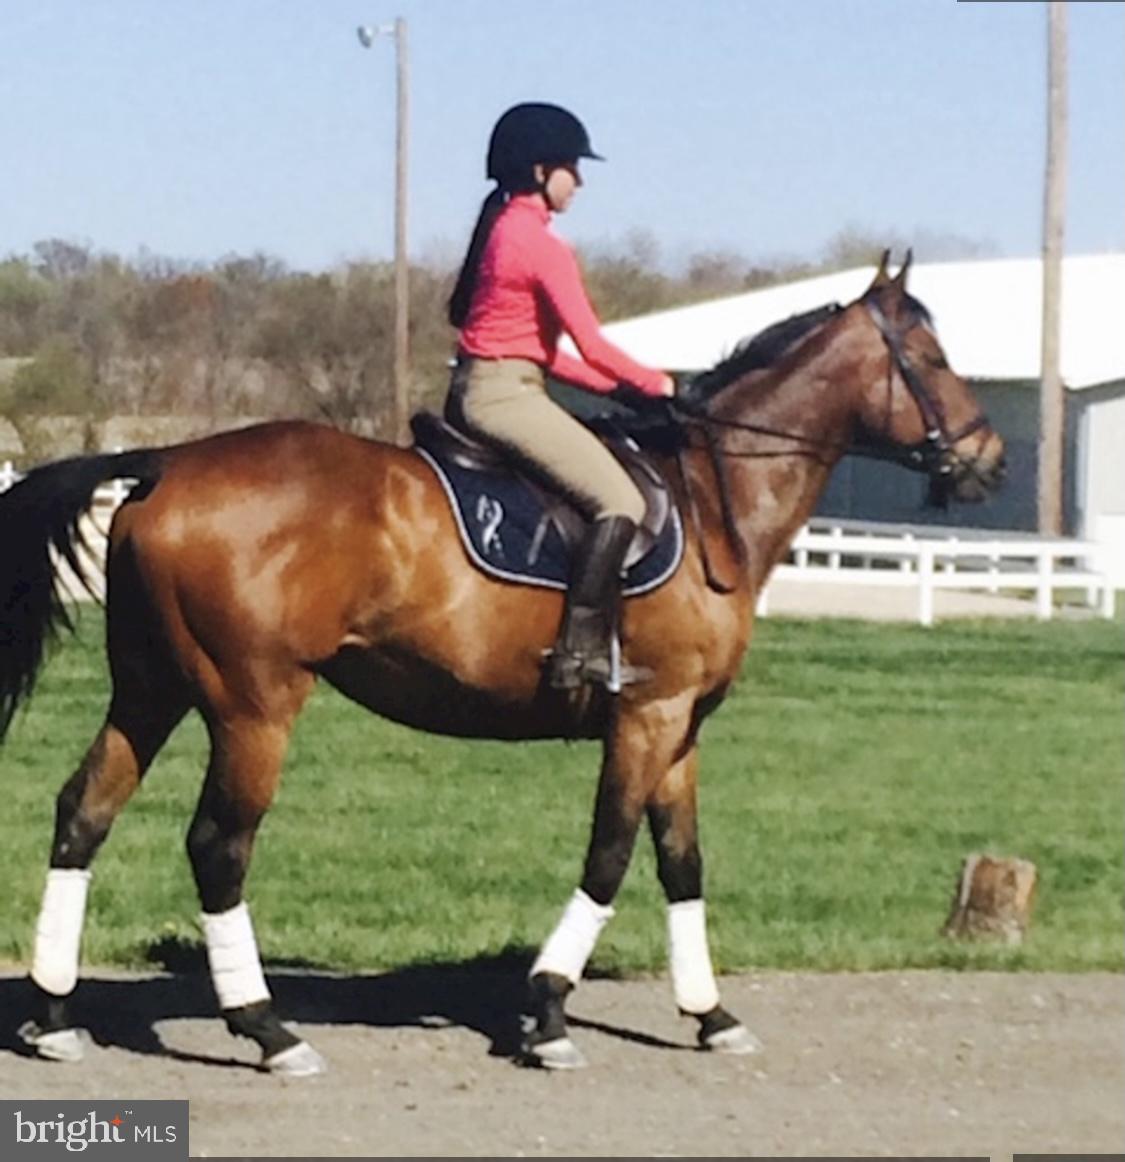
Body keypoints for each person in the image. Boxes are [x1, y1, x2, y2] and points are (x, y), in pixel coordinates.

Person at [446, 102, 675, 692]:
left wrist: (621, 390)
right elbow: (593, 343)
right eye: (573, 167)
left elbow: (548, 356)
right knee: (619, 499)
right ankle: (579, 652)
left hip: (498, 384)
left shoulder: (505, 229)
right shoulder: (540, 244)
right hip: (503, 398)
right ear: (541, 170)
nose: (581, 180)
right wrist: (660, 385)